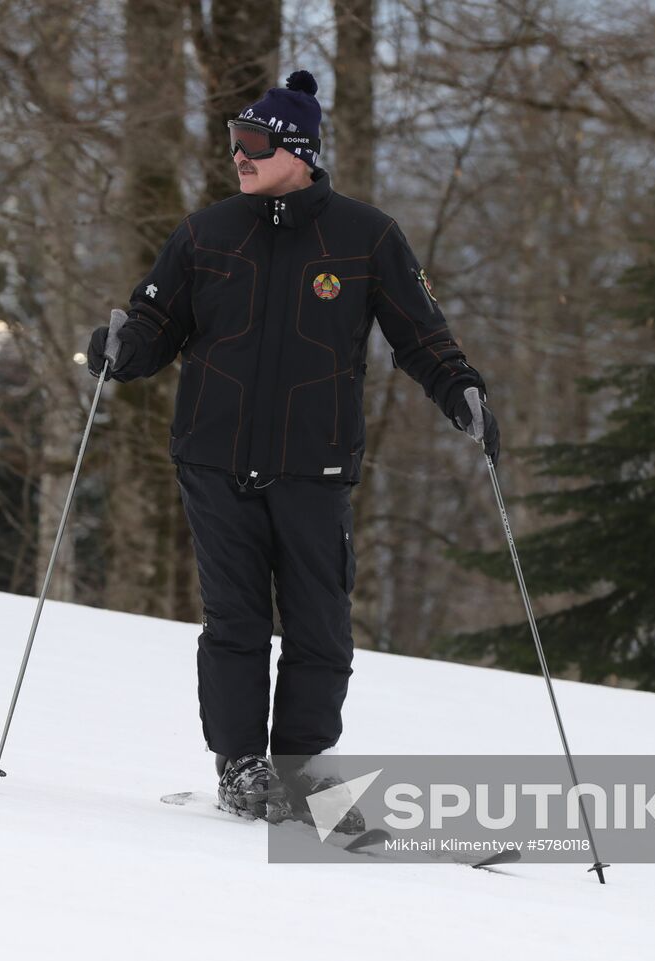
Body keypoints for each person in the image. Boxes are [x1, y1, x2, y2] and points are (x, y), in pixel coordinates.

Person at [87, 70, 499, 823]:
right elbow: (154, 325)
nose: (238, 157)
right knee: (236, 623)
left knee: (320, 627)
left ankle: (302, 768)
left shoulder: (365, 236)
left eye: (253, 143)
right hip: (215, 458)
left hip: (315, 465)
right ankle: (241, 765)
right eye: (233, 142)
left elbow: (422, 335)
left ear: (299, 152)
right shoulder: (205, 233)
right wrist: (117, 348)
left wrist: (461, 391)